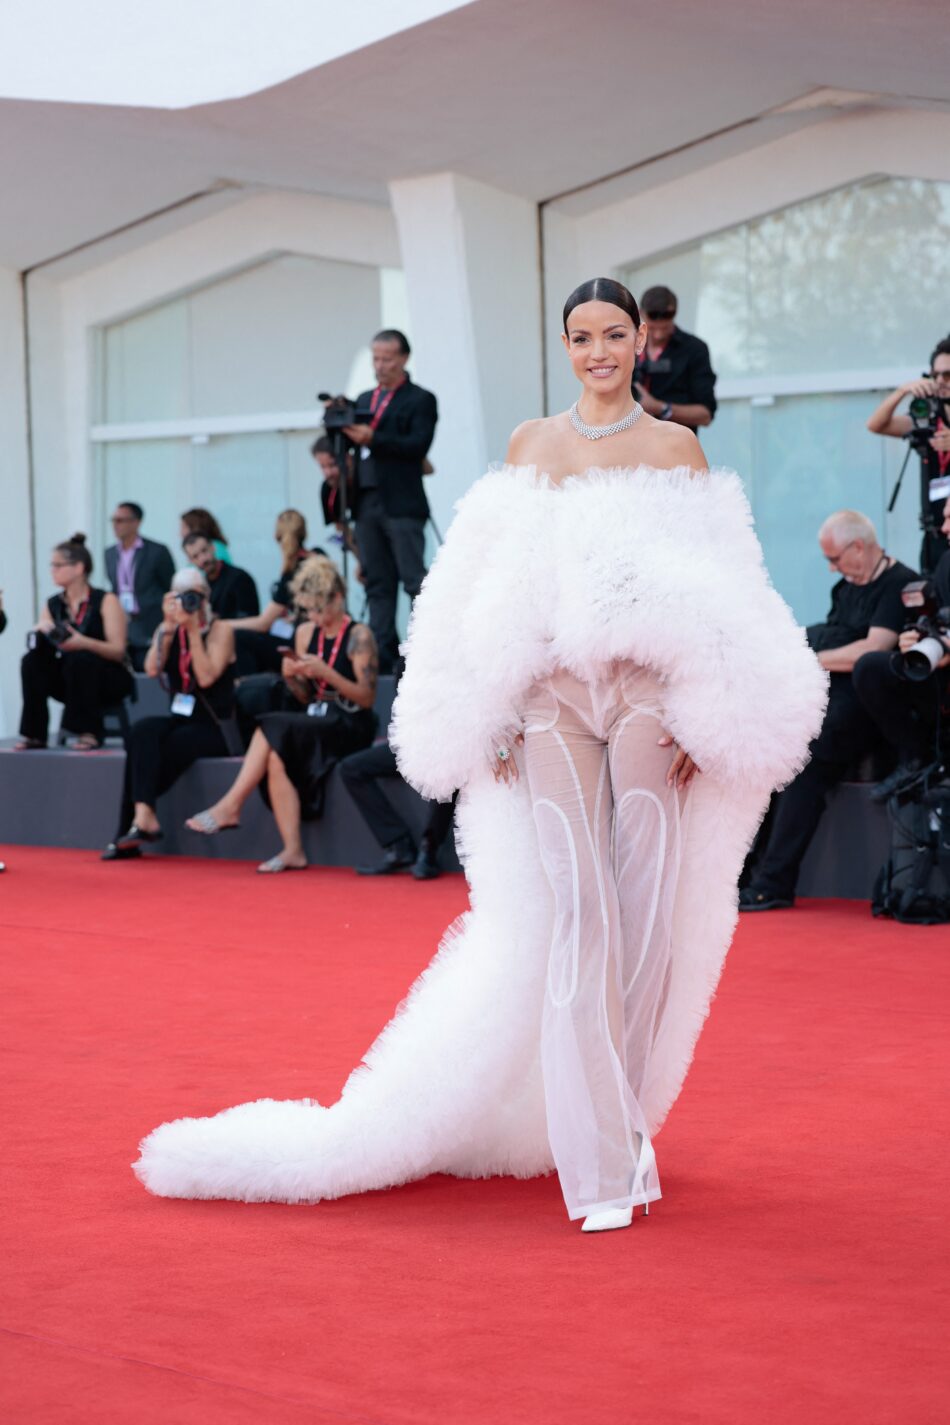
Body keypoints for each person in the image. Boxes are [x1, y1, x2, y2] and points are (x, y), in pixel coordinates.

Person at [135, 277, 824, 1234]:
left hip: (642, 698)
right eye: (581, 336)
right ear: (565, 343)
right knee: (578, 911)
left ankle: (620, 1121)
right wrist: (477, 700)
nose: (598, 352)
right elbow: (469, 589)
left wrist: (710, 710)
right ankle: (602, 1163)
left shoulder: (677, 449)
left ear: (640, 344)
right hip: (546, 701)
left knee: (649, 909)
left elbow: (728, 592)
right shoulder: (529, 447)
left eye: (614, 335)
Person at [741, 511, 916, 911]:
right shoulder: (844, 588)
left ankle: (773, 882)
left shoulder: (898, 585)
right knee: (778, 757)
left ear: (859, 546)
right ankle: (751, 876)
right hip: (828, 701)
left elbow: (873, 650)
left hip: (864, 711)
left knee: (806, 765)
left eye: (835, 558)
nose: (832, 567)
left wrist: (814, 657)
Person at [184, 556, 378, 873]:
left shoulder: (360, 636)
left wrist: (326, 672)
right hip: (315, 718)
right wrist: (293, 676)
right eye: (309, 610)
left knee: (270, 726)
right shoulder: (304, 633)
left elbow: (367, 698)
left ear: (338, 599)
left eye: (319, 609)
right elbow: (304, 696)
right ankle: (293, 850)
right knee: (276, 755)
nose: (315, 617)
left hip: (349, 722)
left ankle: (231, 805)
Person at [102, 569, 236, 861]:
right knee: (141, 732)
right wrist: (165, 626)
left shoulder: (220, 629)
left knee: (165, 750)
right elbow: (151, 669)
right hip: (180, 718)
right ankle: (142, 818)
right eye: (182, 596)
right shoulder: (169, 629)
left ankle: (131, 828)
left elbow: (206, 676)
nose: (189, 603)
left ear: (205, 597)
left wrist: (191, 631)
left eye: (194, 596)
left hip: (215, 725)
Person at [340, 329, 438, 674]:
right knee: (377, 581)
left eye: (386, 359)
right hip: (367, 501)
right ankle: (383, 656)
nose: (379, 366)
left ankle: (424, 650)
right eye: (375, 359)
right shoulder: (364, 399)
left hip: (402, 502)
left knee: (414, 580)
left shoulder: (420, 399)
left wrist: (374, 437)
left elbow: (417, 445)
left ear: (403, 359)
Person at [853, 497, 950, 799]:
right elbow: (934, 616)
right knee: (871, 667)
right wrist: (915, 637)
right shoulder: (947, 562)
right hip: (937, 673)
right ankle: (916, 759)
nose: (943, 528)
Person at [18, 534, 132, 751]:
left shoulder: (105, 600)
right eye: (52, 565)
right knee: (31, 661)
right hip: (70, 676)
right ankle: (34, 733)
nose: (53, 570)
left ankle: (89, 732)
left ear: (79, 568)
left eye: (58, 565)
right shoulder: (54, 604)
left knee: (81, 658)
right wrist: (42, 634)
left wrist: (84, 642)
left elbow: (118, 651)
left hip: (107, 676)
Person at [867, 336, 950, 573]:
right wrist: (903, 391)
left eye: (948, 375)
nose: (941, 381)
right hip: (935, 532)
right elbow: (876, 425)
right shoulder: (929, 417)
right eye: (936, 376)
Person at [339, 738, 458, 878]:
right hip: (414, 744)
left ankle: (429, 849)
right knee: (351, 768)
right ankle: (399, 847)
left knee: (451, 765)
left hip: (452, 750)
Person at [229, 510, 322, 678]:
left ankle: (247, 691)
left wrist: (223, 625)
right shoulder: (319, 557)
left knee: (241, 638)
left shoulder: (293, 571)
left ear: (277, 536)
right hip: (319, 636)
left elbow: (263, 623)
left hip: (304, 642)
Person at [631, 285, 717, 432]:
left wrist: (659, 407)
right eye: (652, 328)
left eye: (664, 328)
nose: (658, 335)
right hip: (631, 444)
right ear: (640, 314)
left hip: (675, 447)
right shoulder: (630, 346)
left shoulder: (694, 349)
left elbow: (705, 415)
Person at [104, 502, 176, 670]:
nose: (116, 525)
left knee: (149, 672)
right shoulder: (109, 553)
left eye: (121, 520)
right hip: (123, 623)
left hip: (150, 622)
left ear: (136, 522)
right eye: (114, 520)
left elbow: (169, 586)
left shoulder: (157, 551)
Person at [183, 533, 259, 619]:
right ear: (190, 561)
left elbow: (250, 619)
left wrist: (217, 620)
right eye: (195, 556)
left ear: (213, 547)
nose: (202, 559)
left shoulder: (239, 578)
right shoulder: (200, 587)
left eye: (204, 550)